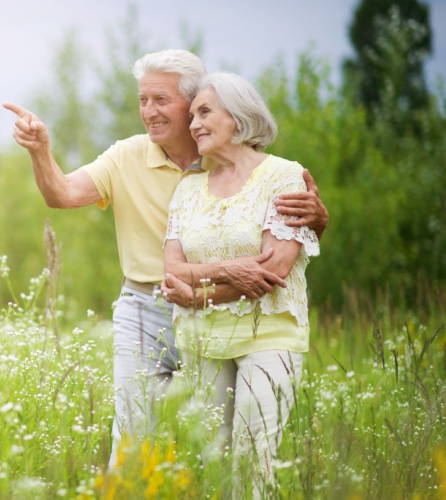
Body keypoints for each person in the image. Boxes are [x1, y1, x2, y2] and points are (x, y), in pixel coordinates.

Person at [3, 49, 328, 468]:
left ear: (194, 103)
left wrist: (318, 221)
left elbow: (280, 237)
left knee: (218, 452)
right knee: (135, 442)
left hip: (220, 309)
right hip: (146, 308)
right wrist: (40, 151)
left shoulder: (225, 149)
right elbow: (61, 194)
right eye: (142, 100)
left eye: (161, 100)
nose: (149, 112)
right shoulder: (127, 156)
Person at [161, 72, 320, 497]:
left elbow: (273, 272)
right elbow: (171, 269)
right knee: (209, 461)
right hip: (201, 340)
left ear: (239, 116)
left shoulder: (284, 177)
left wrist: (196, 294)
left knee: (254, 460)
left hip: (268, 334)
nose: (193, 124)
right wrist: (231, 270)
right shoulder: (188, 189)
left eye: (205, 112)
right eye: (191, 115)